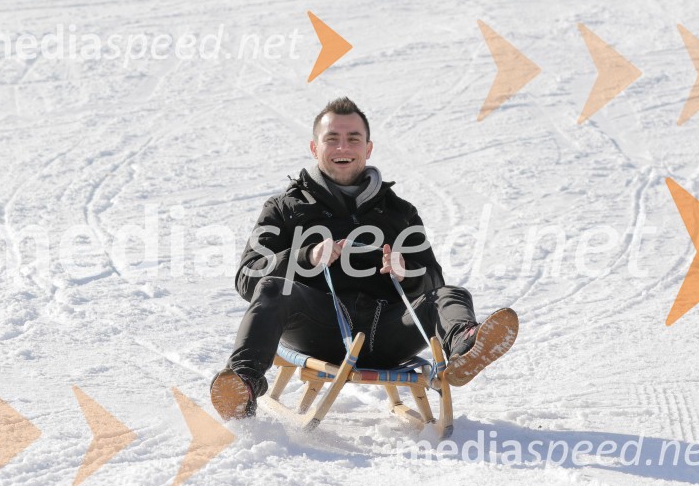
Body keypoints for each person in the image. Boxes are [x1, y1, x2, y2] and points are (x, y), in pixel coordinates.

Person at [210, 97, 518, 420]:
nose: (343, 147)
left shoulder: (399, 213)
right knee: (274, 288)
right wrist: (306, 257)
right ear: (315, 148)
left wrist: (407, 273)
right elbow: (247, 277)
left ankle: (466, 350)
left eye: (353, 139)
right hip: (318, 329)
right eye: (332, 139)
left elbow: (434, 283)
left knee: (451, 295)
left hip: (386, 332)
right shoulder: (286, 208)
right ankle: (241, 386)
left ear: (368, 148)